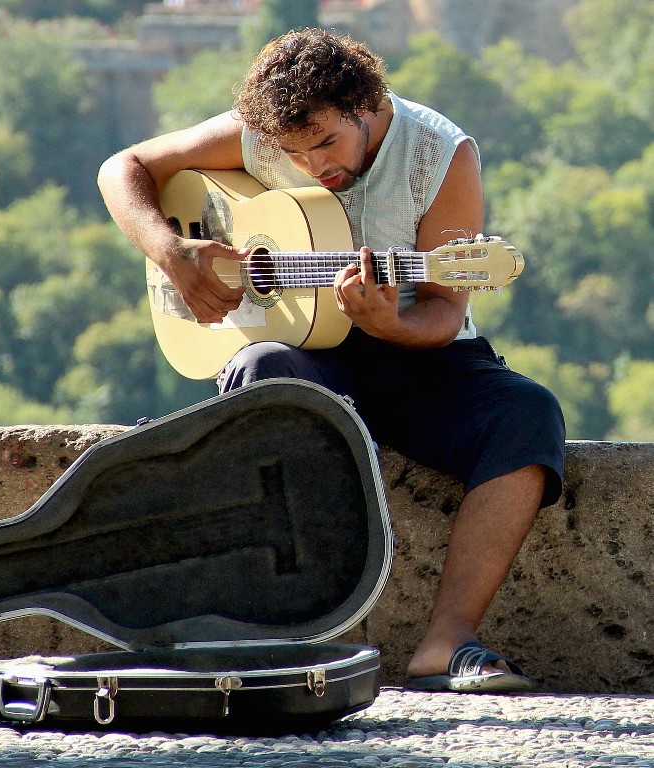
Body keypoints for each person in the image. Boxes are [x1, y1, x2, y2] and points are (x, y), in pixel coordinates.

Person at [97, 27, 565, 692]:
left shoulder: (439, 153)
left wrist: (389, 322)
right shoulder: (262, 133)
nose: (315, 164)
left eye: (325, 142)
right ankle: (279, 641)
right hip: (299, 351)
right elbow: (122, 168)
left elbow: (442, 308)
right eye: (293, 152)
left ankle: (446, 641)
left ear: (365, 105)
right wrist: (170, 251)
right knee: (260, 374)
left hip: (414, 356)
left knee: (528, 412)